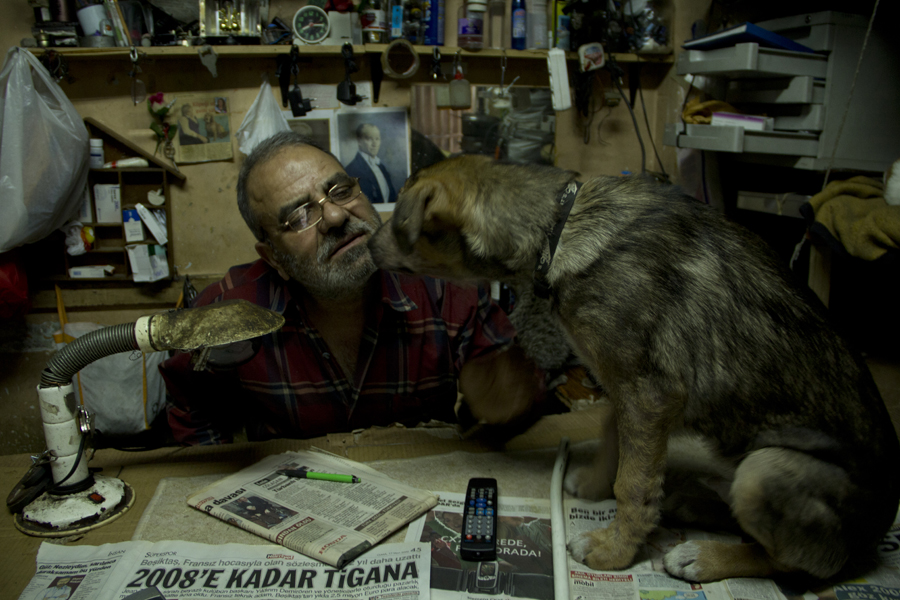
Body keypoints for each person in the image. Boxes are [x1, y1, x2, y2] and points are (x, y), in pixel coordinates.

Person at [160, 131, 544, 445]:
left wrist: (506, 393)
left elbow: (516, 393)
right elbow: (190, 409)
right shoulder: (228, 309)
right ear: (273, 256)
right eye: (299, 215)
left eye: (341, 190)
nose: (335, 215)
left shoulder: (444, 286)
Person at [344, 123, 397, 204]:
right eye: (369, 139)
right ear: (359, 141)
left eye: (377, 138)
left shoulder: (381, 167)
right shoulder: (352, 170)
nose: (374, 144)